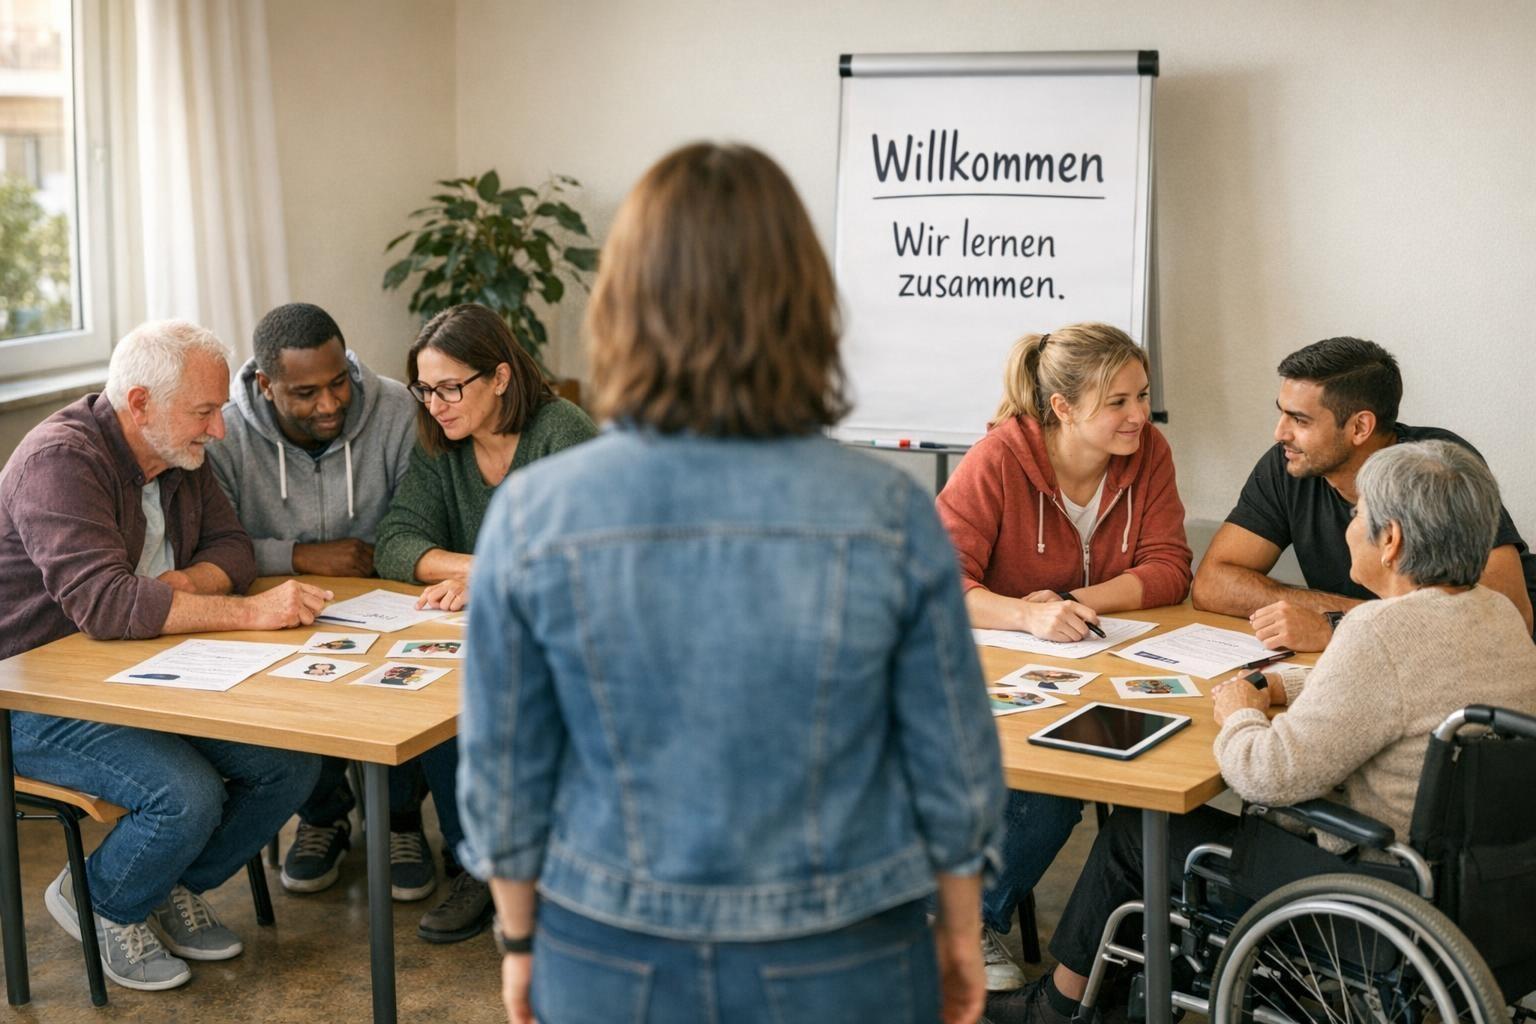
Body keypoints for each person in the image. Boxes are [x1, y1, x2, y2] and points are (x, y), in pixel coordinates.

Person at [456, 143, 1005, 1024]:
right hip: (845, 945)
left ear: (622, 306)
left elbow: (504, 768)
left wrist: (519, 941)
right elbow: (955, 765)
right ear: (803, 304)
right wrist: (964, 931)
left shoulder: (534, 513)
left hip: (607, 944)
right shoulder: (888, 513)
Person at [1011, 440, 1536, 1024]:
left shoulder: (1379, 632)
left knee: (1138, 835)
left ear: (1392, 542)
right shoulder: (1497, 613)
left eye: (1359, 514)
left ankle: (1056, 1009)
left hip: (1366, 885)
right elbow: (1405, 691)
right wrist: (1286, 684)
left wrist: (1240, 710)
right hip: (1484, 892)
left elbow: (1263, 774)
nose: (1351, 526)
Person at [0, 319, 327, 991]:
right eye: (205, 412)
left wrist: (175, 587)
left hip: (139, 676)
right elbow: (108, 606)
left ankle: (163, 882)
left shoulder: (175, 454)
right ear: (141, 402)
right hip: (31, 696)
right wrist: (250, 613)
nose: (219, 431)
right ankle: (104, 899)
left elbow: (233, 550)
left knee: (292, 765)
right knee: (185, 796)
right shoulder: (59, 461)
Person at [935, 322, 1192, 991]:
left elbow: (1169, 567)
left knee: (1156, 766)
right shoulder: (999, 460)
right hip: (985, 671)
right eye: (1119, 402)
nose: (1140, 415)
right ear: (1063, 408)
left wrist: (1076, 600)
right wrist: (1028, 613)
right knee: (1050, 785)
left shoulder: (1148, 454)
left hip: (1086, 665)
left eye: (1143, 395)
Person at [374, 302, 597, 943]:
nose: (436, 405)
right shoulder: (442, 448)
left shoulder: (561, 433)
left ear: (499, 377)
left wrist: (491, 572)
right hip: (482, 639)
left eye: (450, 387)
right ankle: (480, 866)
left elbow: (584, 553)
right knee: (436, 700)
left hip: (569, 639)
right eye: (425, 389)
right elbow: (396, 542)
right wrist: (480, 567)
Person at [206, 301, 435, 904]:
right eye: (306, 393)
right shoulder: (225, 434)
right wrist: (300, 557)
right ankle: (322, 816)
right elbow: (213, 546)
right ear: (266, 385)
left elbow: (422, 513)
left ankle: (401, 821)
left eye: (338, 382)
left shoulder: (395, 410)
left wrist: (381, 557)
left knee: (401, 679)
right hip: (281, 604)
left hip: (392, 601)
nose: (331, 404)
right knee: (298, 680)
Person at [1193, 336, 1536, 651]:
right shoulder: (1289, 464)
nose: (1279, 432)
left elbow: (1510, 620)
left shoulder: (1436, 467)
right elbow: (1212, 584)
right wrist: (1345, 620)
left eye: (1300, 420)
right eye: (1281, 412)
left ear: (1359, 427)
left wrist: (1339, 626)